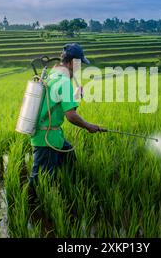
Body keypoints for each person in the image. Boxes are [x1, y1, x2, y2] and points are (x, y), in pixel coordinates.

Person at [29, 43, 105, 193]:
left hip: (53, 135)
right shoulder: (64, 82)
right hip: (46, 139)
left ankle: (68, 188)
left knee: (69, 154)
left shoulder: (53, 75)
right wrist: (89, 126)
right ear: (71, 63)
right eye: (79, 64)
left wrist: (76, 95)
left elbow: (56, 102)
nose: (80, 68)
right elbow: (71, 115)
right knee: (39, 182)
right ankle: (29, 208)